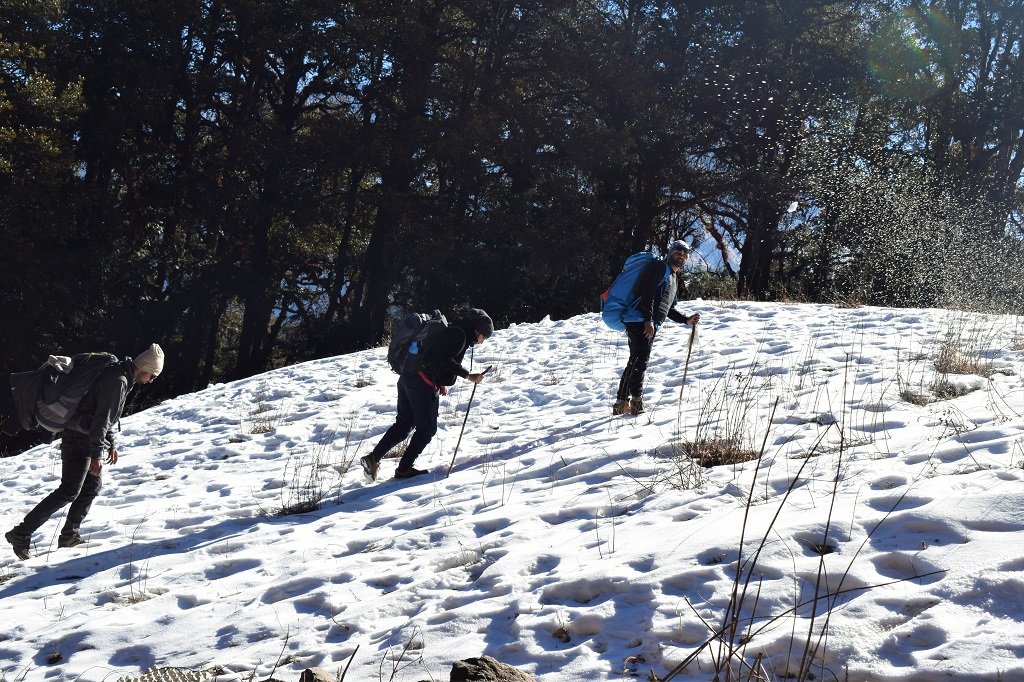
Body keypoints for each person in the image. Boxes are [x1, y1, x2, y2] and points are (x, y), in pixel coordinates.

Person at [5, 344, 164, 560]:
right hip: (79, 438)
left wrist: (111, 443)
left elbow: (106, 417)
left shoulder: (120, 376)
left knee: (91, 487)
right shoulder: (118, 381)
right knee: (69, 490)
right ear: (145, 369)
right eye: (153, 375)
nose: (151, 380)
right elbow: (101, 420)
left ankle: (69, 536)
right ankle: (21, 533)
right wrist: (98, 454)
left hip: (82, 436)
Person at [361, 309, 493, 481]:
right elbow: (443, 359)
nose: (482, 342)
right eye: (484, 337)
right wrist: (468, 375)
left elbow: (434, 357)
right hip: (421, 383)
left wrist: (441, 382)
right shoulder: (459, 335)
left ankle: (373, 459)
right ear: (478, 330)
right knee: (427, 429)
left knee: (404, 424)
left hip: (409, 378)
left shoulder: (454, 331)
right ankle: (404, 469)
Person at [614, 240, 700, 415]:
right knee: (639, 361)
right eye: (678, 251)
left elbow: (668, 308)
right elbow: (647, 292)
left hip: (644, 321)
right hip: (639, 319)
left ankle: (623, 402)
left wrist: (685, 320)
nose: (681, 255)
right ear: (669, 253)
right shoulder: (659, 267)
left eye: (685, 253)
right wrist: (647, 319)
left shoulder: (673, 277)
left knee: (637, 360)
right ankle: (632, 402)